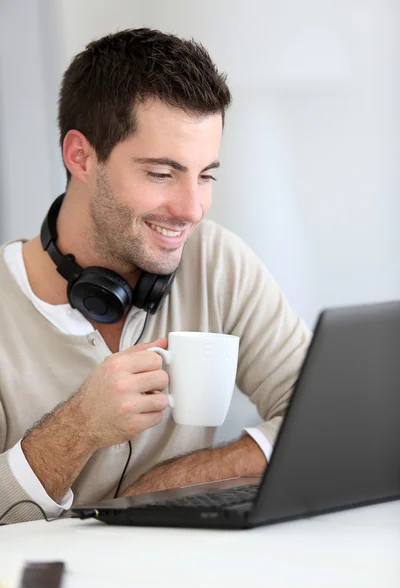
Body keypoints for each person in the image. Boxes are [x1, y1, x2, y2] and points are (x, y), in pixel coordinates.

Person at [0, 28, 311, 525]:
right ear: (81, 156)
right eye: (162, 174)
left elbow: (327, 421)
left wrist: (167, 486)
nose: (192, 209)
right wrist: (78, 427)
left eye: (206, 175)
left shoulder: (217, 262)